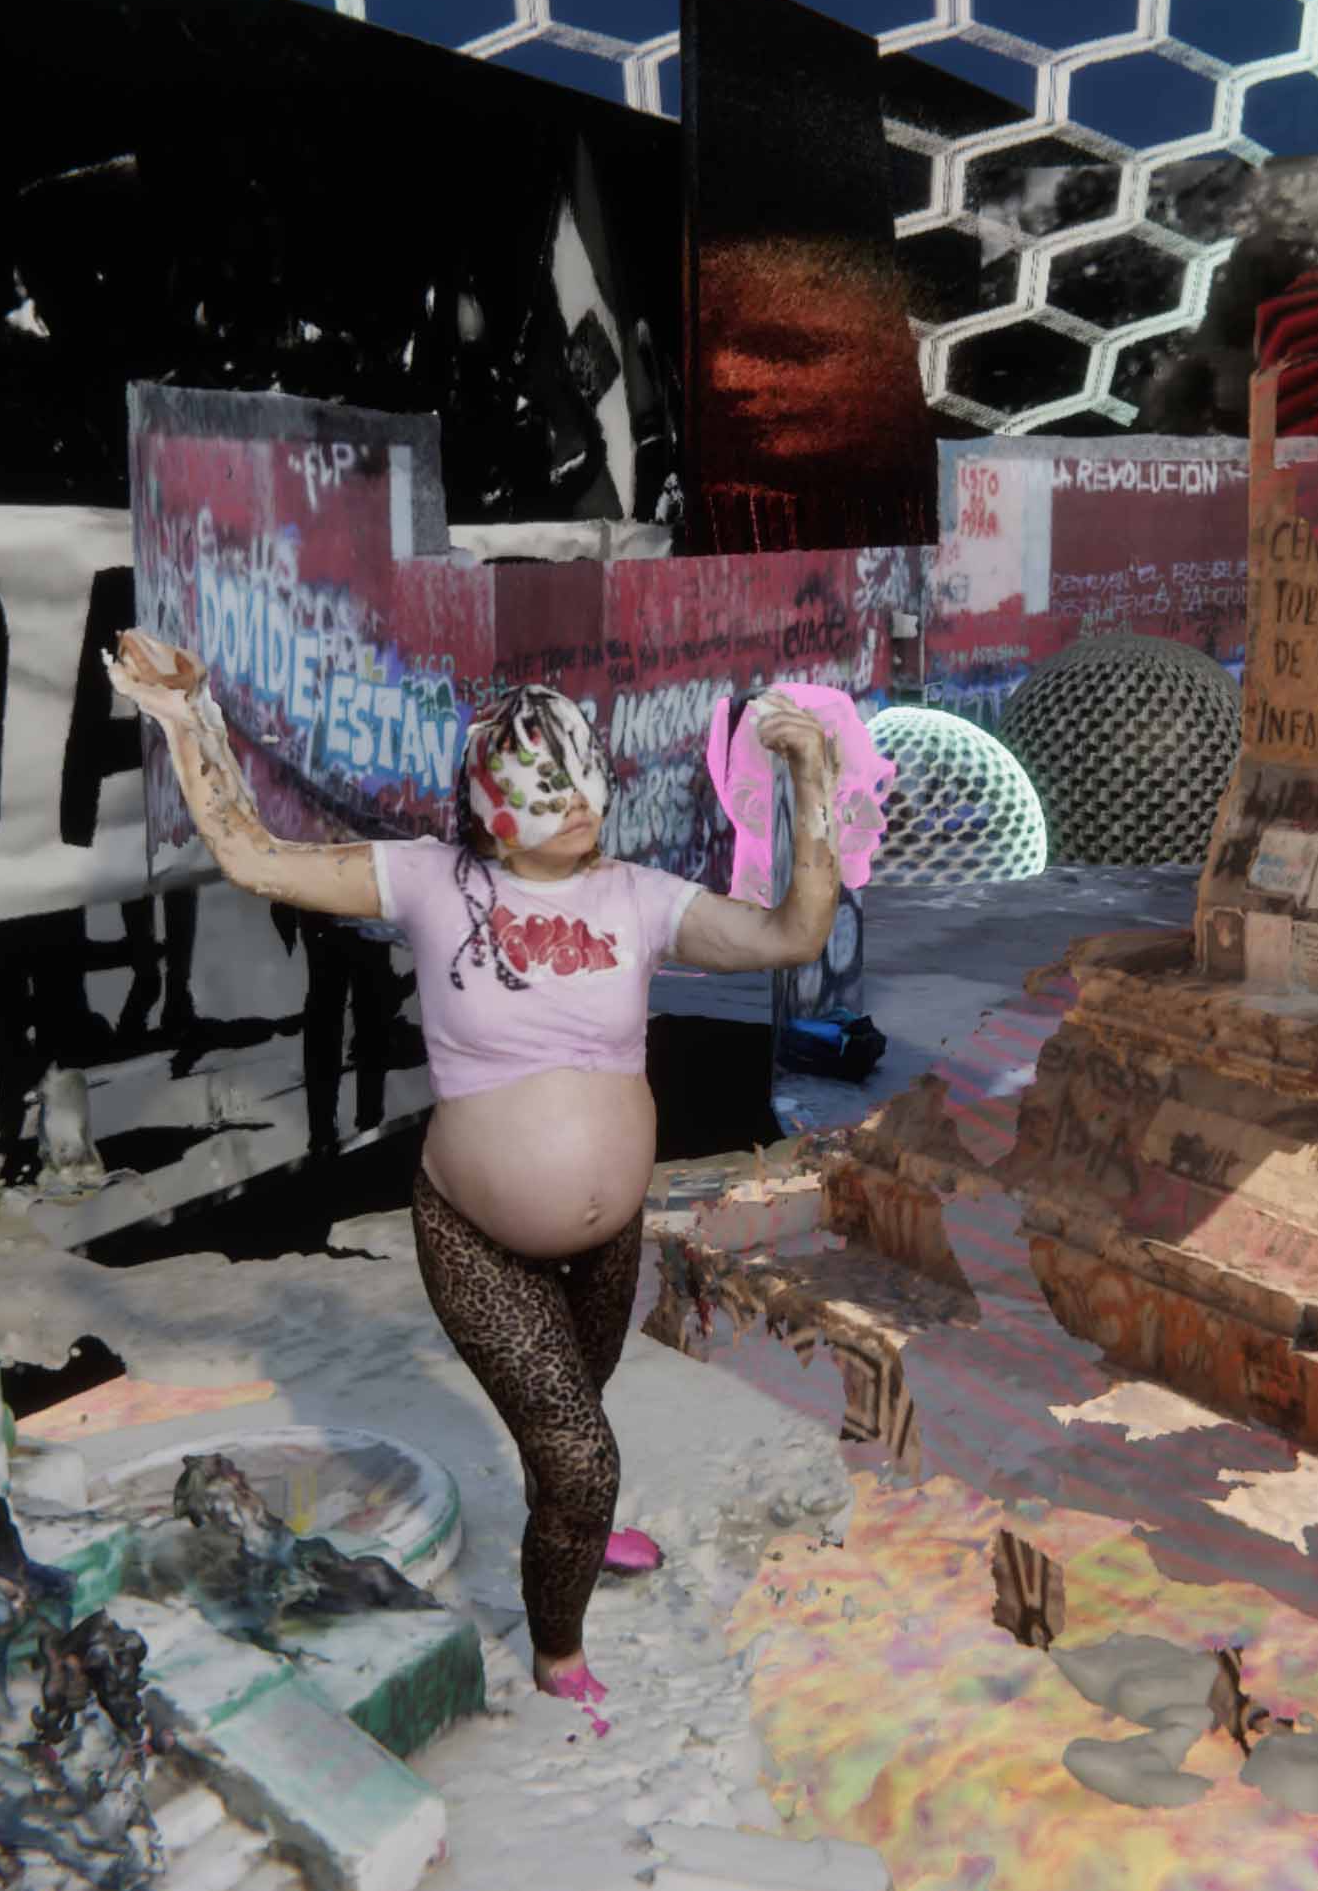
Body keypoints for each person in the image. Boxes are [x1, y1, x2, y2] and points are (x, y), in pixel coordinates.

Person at [101, 632, 837, 1715]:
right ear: (489, 803)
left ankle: (574, 1528)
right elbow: (255, 857)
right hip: (474, 1235)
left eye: (582, 774)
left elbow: (792, 935)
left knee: (572, 1415)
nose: (574, 802)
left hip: (609, 1235)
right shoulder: (428, 880)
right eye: (543, 784)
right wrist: (187, 715)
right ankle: (558, 1651)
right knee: (583, 1459)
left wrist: (810, 778)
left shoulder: (637, 896)